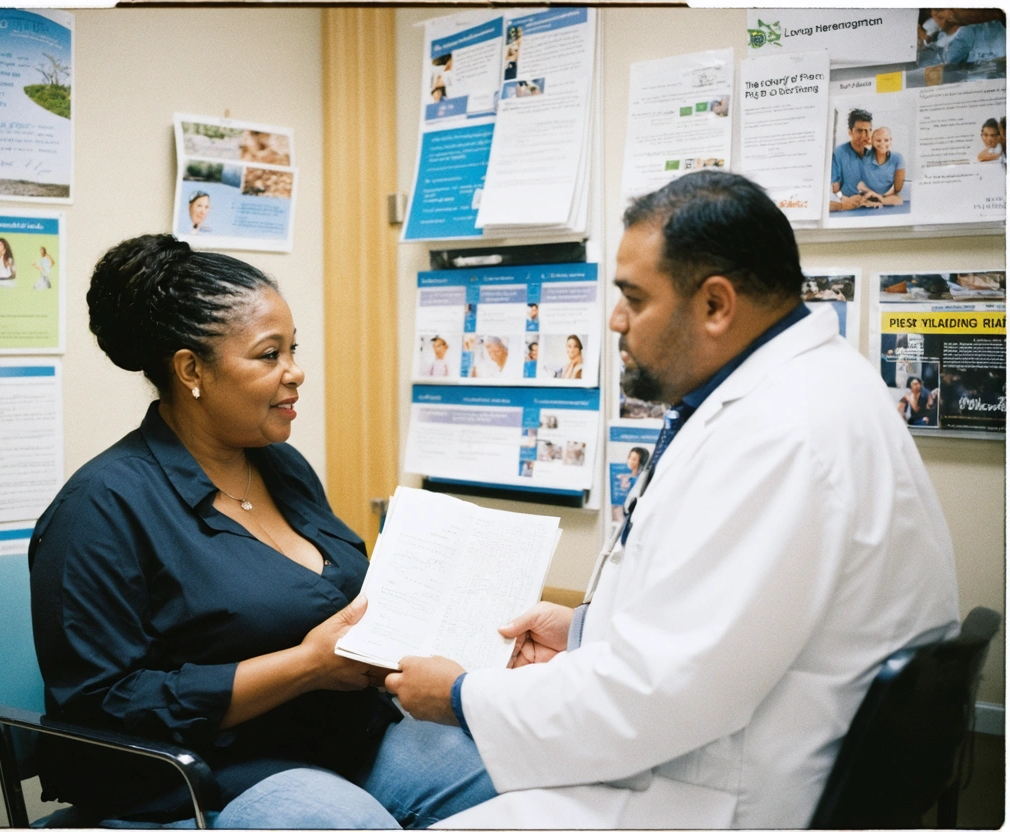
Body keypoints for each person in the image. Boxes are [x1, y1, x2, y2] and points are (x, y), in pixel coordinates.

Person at [384, 171, 959, 829]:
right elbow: (716, 625)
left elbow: (654, 696)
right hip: (724, 749)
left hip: (728, 795)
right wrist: (584, 631)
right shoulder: (810, 387)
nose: (615, 319)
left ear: (715, 304)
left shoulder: (781, 434)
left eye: (633, 297)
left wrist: (461, 696)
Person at [29, 235, 494, 828]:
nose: (295, 372)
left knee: (508, 774)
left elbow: (334, 597)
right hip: (201, 774)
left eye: (293, 349)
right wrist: (307, 666)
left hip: (342, 737)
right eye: (269, 355)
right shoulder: (100, 509)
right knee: (347, 823)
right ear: (191, 369)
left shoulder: (281, 466)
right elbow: (104, 706)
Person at [830, 109, 875, 211]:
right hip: (847, 206)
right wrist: (844, 200)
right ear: (850, 132)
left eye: (867, 131)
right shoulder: (839, 153)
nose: (864, 135)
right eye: (859, 131)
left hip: (869, 206)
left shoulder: (873, 155)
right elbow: (835, 188)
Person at [858, 126, 907, 206]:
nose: (882, 143)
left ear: (890, 141)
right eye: (878, 140)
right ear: (872, 141)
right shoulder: (863, 156)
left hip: (887, 196)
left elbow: (897, 188)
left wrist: (880, 198)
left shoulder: (897, 158)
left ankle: (876, 202)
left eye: (886, 140)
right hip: (866, 194)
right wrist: (871, 193)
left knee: (898, 200)